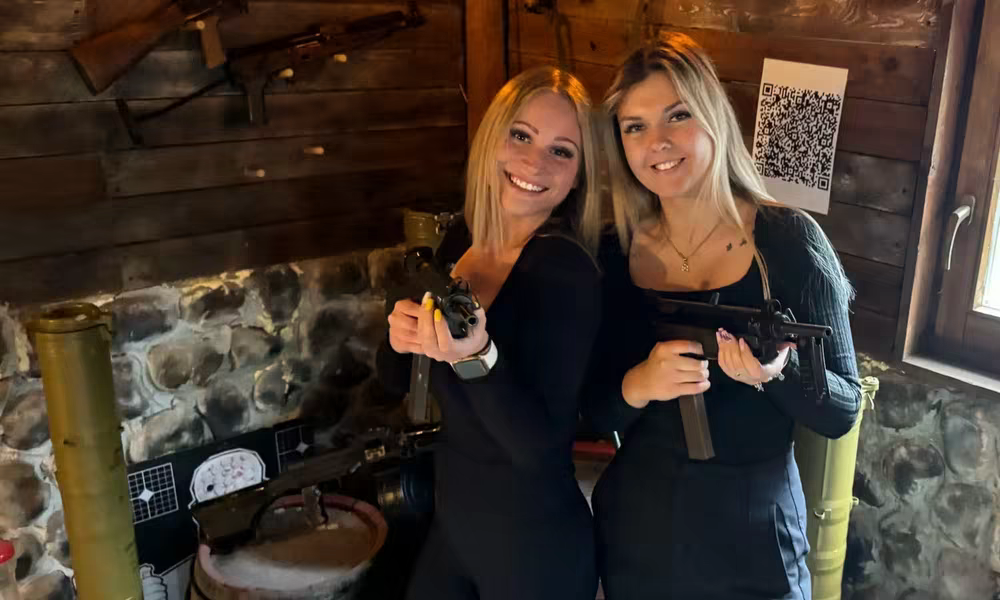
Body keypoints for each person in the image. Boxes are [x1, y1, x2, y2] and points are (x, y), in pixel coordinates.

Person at [581, 33, 863, 600]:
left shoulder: (788, 242)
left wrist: (775, 375)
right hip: (640, 532)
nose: (656, 142)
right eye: (634, 126)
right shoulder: (610, 251)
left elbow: (844, 409)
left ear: (712, 117)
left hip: (755, 537)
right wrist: (639, 385)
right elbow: (587, 408)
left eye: (675, 116)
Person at [376, 65, 602, 600]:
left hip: (533, 544)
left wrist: (477, 354)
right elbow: (394, 381)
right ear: (492, 138)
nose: (533, 161)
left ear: (578, 175)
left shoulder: (565, 269)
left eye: (561, 151)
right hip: (456, 523)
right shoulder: (462, 237)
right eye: (520, 135)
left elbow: (538, 448)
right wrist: (398, 333)